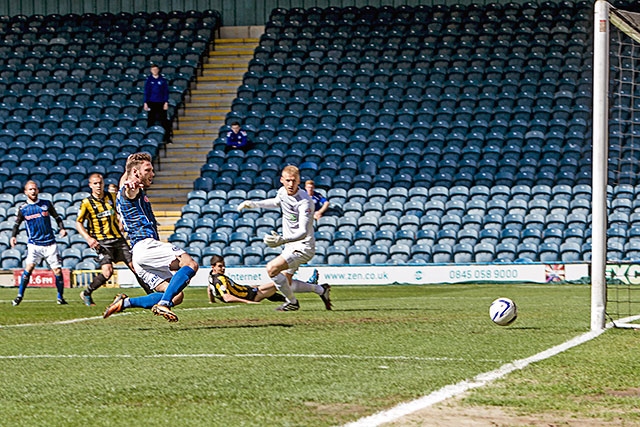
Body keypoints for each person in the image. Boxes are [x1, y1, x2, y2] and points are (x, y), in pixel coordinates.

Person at [103, 152, 198, 322]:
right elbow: (129, 190)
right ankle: (164, 304)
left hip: (139, 256)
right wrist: (132, 184)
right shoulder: (130, 190)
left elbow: (126, 177)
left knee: (177, 295)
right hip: (146, 245)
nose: (152, 174)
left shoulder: (122, 188)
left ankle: (124, 303)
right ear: (136, 173)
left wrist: (129, 166)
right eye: (148, 170)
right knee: (190, 264)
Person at [238, 165, 332, 311]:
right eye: (287, 180)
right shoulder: (282, 192)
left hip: (303, 247)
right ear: (282, 180)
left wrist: (282, 239)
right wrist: (253, 204)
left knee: (272, 269)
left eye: (294, 181)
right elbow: (276, 202)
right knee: (286, 281)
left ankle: (292, 302)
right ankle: (320, 290)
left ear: (299, 181)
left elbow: (302, 232)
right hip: (290, 246)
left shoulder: (305, 202)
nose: (290, 184)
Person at [76, 173, 152, 306]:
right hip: (102, 242)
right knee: (107, 272)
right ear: (90, 185)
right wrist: (88, 238)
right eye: (95, 183)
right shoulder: (87, 203)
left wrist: (121, 221)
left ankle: (151, 296)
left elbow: (120, 210)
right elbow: (78, 223)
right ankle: (87, 293)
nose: (98, 186)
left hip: (118, 239)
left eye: (100, 183)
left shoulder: (111, 197)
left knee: (135, 267)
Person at [11, 180, 68, 306]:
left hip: (50, 243)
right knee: (29, 268)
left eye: (35, 189)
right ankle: (19, 296)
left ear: (38, 190)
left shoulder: (46, 204)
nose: (33, 191)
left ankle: (60, 297)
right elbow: (17, 224)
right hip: (34, 244)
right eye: (30, 189)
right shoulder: (23, 209)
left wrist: (62, 228)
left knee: (57, 271)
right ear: (25, 192)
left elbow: (57, 217)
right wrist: (13, 236)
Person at [208, 255, 330, 309]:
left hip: (250, 290)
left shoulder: (212, 277)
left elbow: (209, 288)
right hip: (252, 296)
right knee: (282, 280)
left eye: (223, 266)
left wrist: (212, 300)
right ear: (213, 266)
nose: (223, 268)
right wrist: (248, 302)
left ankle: (304, 290)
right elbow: (227, 297)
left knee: (280, 282)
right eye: (220, 266)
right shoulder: (220, 278)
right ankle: (312, 285)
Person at [143, 64, 171, 143]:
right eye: (153, 70)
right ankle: (148, 139)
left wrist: (166, 102)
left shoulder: (162, 80)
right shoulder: (149, 80)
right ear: (151, 71)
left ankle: (167, 138)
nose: (155, 71)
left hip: (161, 102)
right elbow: (146, 92)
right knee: (150, 120)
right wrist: (145, 102)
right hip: (151, 102)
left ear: (158, 70)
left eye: (156, 69)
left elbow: (166, 92)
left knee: (164, 120)